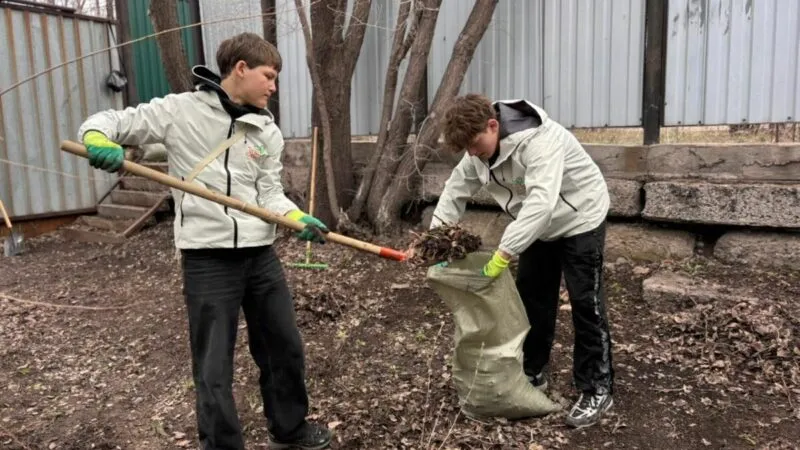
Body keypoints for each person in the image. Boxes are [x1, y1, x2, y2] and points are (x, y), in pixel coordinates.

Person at [77, 32, 332, 450]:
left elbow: (269, 193)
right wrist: (98, 139)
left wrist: (294, 216)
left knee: (284, 347)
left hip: (260, 255)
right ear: (241, 69)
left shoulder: (266, 131)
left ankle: (290, 428)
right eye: (269, 76)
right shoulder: (180, 111)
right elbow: (109, 121)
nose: (273, 86)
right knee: (214, 365)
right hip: (208, 259)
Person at [428, 93, 614, 428]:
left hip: (580, 216)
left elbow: (542, 203)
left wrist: (504, 252)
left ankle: (597, 387)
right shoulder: (477, 151)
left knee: (586, 303)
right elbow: (454, 192)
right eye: (466, 149)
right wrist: (434, 243)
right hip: (536, 227)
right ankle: (532, 371)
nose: (472, 153)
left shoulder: (540, 141)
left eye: (474, 144)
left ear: (493, 124)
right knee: (532, 300)